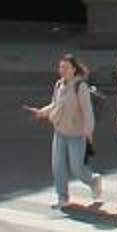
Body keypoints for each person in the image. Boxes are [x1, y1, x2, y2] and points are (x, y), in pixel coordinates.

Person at [27, 53, 100, 211]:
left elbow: (88, 112)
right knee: (57, 166)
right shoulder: (59, 84)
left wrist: (89, 131)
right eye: (61, 67)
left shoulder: (80, 86)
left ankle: (93, 180)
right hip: (60, 131)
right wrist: (41, 112)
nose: (62, 70)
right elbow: (55, 105)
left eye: (66, 68)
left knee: (76, 168)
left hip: (76, 134)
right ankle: (62, 198)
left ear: (74, 69)